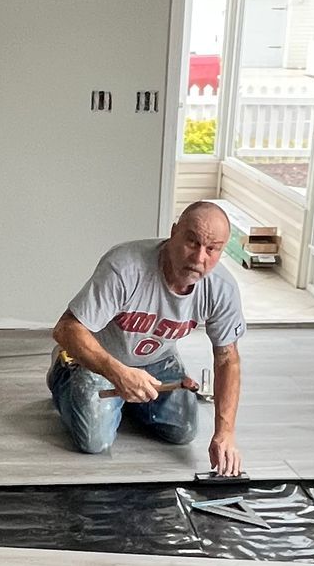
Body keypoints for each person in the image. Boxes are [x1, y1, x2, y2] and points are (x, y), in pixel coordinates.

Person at [50, 203, 246, 475]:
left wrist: (226, 433)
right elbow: (66, 329)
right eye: (192, 242)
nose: (200, 257)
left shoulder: (221, 288)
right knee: (95, 440)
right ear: (173, 232)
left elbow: (227, 358)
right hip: (101, 358)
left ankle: (128, 397)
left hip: (158, 359)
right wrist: (119, 373)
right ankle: (64, 376)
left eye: (212, 249)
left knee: (184, 430)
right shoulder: (125, 268)